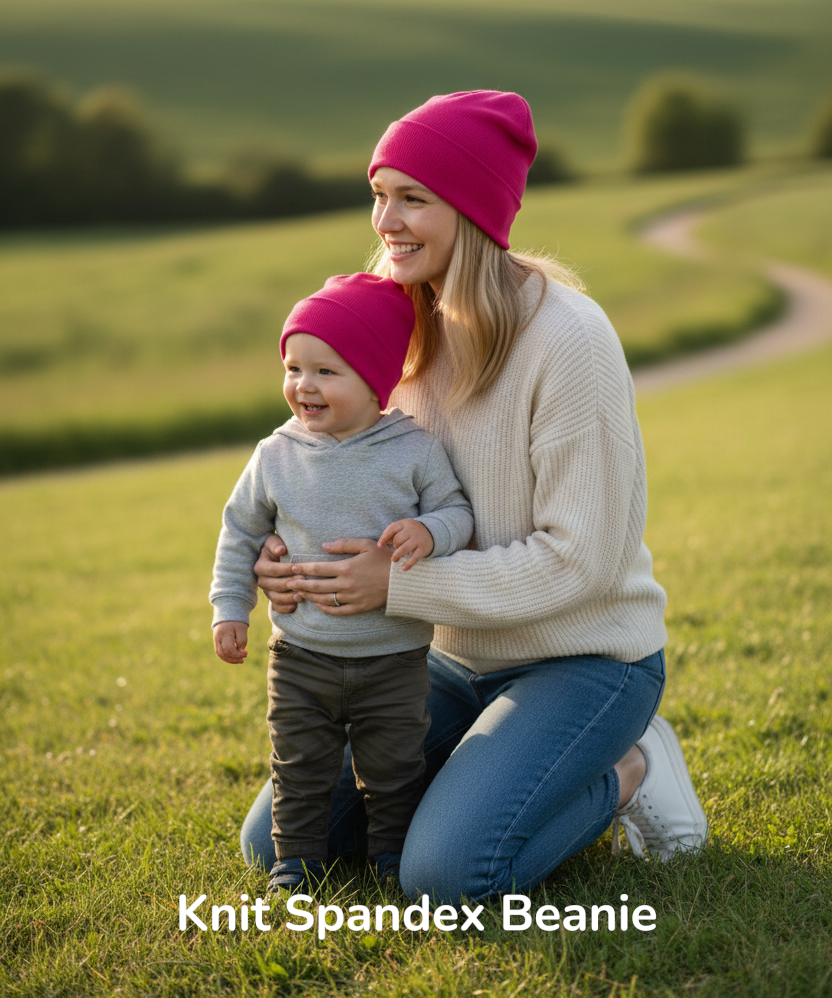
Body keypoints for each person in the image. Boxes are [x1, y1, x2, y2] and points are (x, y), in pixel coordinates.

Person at [244, 89, 708, 903]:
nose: (386, 220)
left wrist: (399, 583)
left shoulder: (569, 339)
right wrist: (286, 554)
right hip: (447, 655)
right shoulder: (392, 324)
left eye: (413, 198)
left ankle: (631, 767)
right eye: (379, 193)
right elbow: (333, 457)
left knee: (446, 876)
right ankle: (482, 775)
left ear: (471, 210)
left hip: (584, 660)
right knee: (279, 839)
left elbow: (583, 560)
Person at [210, 272, 474, 894]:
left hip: (393, 658)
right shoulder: (274, 454)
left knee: (393, 767)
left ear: (375, 379)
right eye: (294, 367)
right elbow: (240, 532)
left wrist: (429, 531)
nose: (304, 385)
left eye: (327, 371)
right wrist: (230, 607)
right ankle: (293, 865)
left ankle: (391, 857)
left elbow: (458, 511)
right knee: (300, 766)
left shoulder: (413, 449)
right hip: (301, 657)